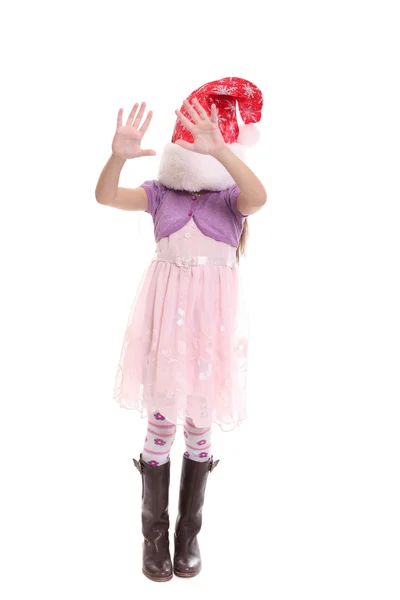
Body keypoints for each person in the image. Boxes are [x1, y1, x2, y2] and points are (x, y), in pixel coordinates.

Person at [95, 77, 267, 582]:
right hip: (165, 329)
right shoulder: (159, 195)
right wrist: (118, 157)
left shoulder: (232, 201)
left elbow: (261, 195)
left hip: (208, 334)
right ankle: (153, 536)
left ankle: (188, 533)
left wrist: (224, 152)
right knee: (161, 420)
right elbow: (105, 196)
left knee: (199, 423)